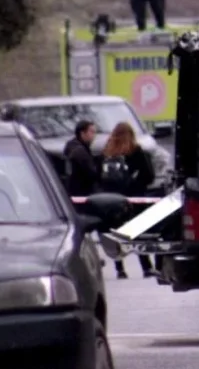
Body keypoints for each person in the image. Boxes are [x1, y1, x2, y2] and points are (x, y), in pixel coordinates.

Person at [100, 122, 157, 279]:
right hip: (133, 197)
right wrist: (136, 184)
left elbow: (101, 177)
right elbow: (148, 175)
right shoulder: (136, 151)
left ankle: (120, 269)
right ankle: (146, 267)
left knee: (117, 233)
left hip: (112, 199)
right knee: (136, 232)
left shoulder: (107, 152)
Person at [63, 120, 99, 197]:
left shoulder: (72, 146)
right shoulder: (80, 152)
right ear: (82, 133)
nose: (94, 136)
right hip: (81, 193)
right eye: (91, 132)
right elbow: (91, 172)